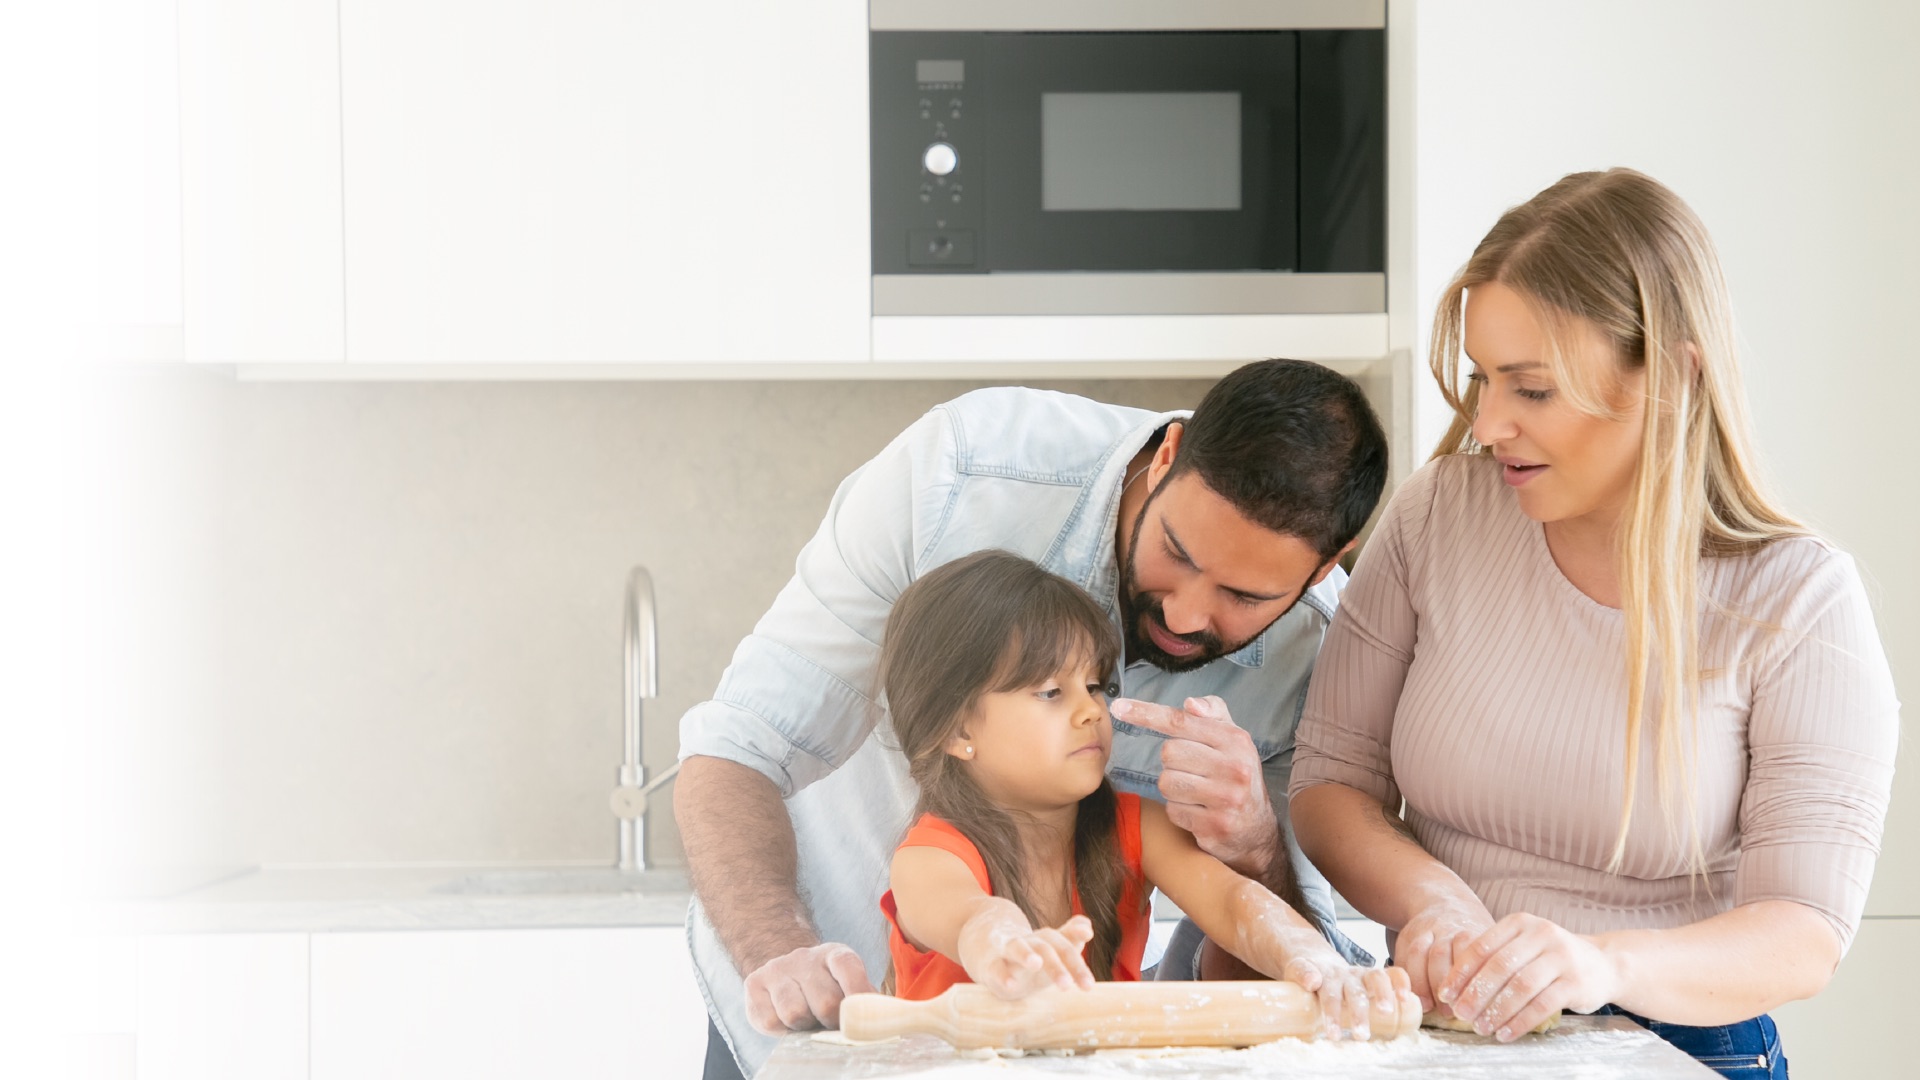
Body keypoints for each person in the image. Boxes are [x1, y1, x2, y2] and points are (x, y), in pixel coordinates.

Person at [1288, 168, 1899, 1078]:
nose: (1487, 424)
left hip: (1683, 1045)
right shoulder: (1437, 518)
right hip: (1438, 1029)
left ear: (1671, 379)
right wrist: (1440, 906)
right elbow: (1331, 783)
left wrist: (1596, 963)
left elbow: (1803, 932)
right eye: (1483, 379)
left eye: (1531, 390)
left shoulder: (1798, 600)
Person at [675, 359, 1390, 1077]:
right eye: (1176, 552)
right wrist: (993, 944)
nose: (1184, 615)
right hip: (807, 1018)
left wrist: (1288, 911)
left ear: (1326, 567)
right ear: (1166, 454)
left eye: (1242, 596)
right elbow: (744, 748)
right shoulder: (962, 469)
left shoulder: (1320, 662)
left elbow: (1243, 910)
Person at [877, 551, 1417, 1041]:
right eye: (1049, 692)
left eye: (1095, 686)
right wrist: (1004, 947)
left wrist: (1313, 959)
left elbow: (1234, 903)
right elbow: (970, 917)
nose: (1091, 710)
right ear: (957, 734)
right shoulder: (931, 855)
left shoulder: (1136, 827)